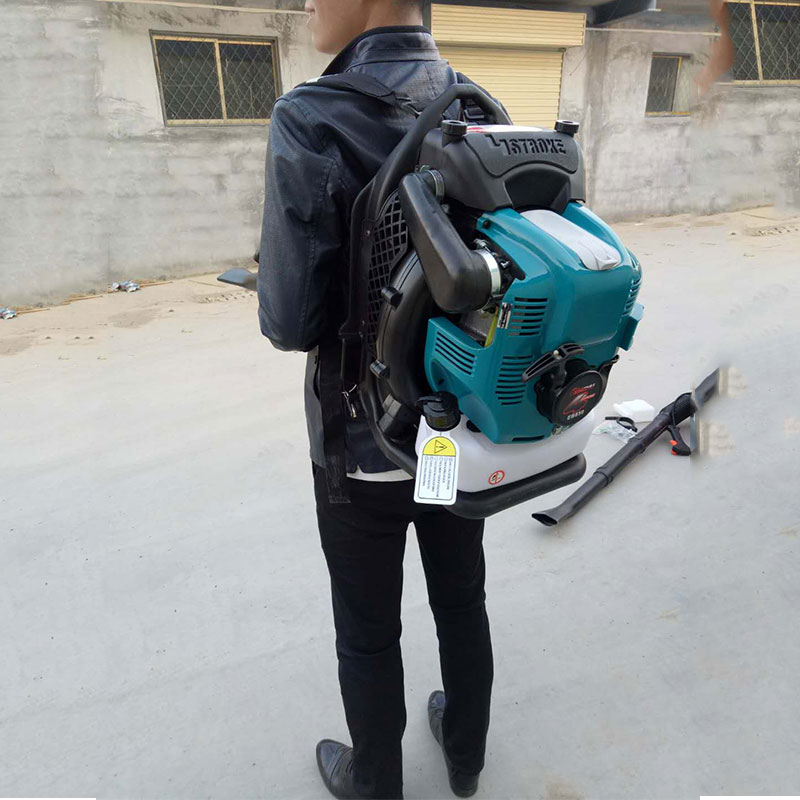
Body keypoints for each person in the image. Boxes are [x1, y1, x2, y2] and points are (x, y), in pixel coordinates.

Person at [257, 1, 494, 797]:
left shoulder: (311, 117)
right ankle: (465, 757)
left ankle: (376, 782)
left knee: (367, 631)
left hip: (361, 448)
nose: (309, 4)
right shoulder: (479, 106)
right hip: (452, 431)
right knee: (461, 598)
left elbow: (291, 322)